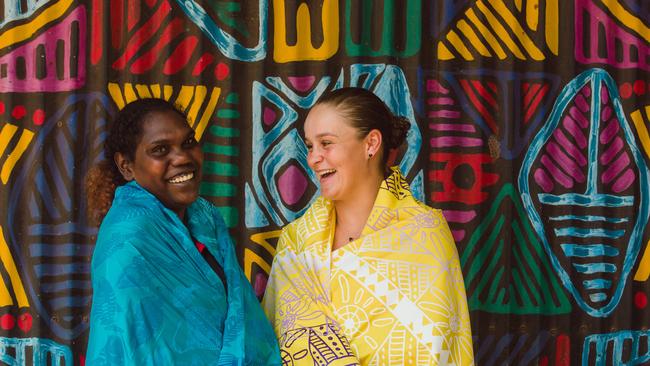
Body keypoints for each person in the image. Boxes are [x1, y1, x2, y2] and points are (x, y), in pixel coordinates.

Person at [262, 88, 474, 365]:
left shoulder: (424, 233)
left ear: (371, 143)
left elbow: (436, 348)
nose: (313, 158)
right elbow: (273, 346)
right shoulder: (296, 241)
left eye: (326, 143)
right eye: (310, 146)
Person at [85, 98, 280, 365]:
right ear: (126, 166)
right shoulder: (127, 243)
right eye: (160, 149)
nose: (182, 157)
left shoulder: (206, 219)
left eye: (188, 143)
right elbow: (145, 352)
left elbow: (240, 315)